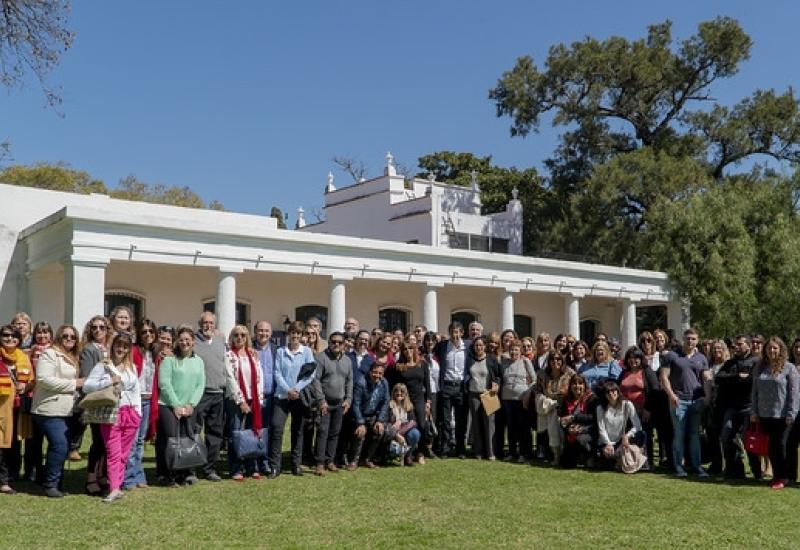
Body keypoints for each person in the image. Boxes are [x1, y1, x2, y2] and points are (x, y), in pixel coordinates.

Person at [83, 333, 142, 503]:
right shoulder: (103, 366)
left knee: (124, 454)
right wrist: (108, 381)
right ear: (113, 346)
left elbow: (135, 391)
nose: (121, 349)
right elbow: (87, 386)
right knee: (113, 452)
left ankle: (118, 484)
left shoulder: (131, 366)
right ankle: (113, 488)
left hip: (130, 414)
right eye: (118, 345)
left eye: (125, 347)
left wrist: (138, 412)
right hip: (111, 414)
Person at [31, 325, 83, 497]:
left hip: (66, 409)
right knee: (60, 445)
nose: (69, 339)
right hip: (48, 409)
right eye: (65, 336)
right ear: (58, 337)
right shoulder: (49, 354)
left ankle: (57, 482)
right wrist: (73, 384)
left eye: (72, 337)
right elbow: (44, 380)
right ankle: (50, 483)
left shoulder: (73, 357)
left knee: (63, 446)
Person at [659, 328, 712, 478]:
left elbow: (706, 378)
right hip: (678, 401)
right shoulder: (672, 356)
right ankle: (678, 466)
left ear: (697, 340)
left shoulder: (702, 358)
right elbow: (664, 378)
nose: (690, 341)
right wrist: (671, 395)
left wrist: (707, 397)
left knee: (695, 435)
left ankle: (697, 467)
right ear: (683, 338)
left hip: (696, 401)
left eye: (693, 339)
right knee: (679, 434)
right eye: (688, 338)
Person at [157, 326, 205, 487]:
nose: (185, 342)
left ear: (193, 342)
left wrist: (191, 405)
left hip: (190, 406)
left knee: (187, 439)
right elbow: (164, 384)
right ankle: (167, 474)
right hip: (169, 406)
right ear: (177, 341)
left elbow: (200, 384)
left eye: (188, 340)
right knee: (171, 440)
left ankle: (184, 472)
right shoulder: (169, 360)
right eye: (182, 339)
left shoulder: (198, 361)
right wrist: (176, 405)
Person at [269, 321, 316, 477]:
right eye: (292, 333)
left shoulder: (307, 352)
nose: (295, 336)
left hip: (299, 396)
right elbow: (277, 373)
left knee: (298, 431)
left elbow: (310, 374)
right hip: (282, 396)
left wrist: (297, 388)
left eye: (298, 333)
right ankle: (275, 465)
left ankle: (296, 464)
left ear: (302, 336)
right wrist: (287, 389)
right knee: (277, 429)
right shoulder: (281, 351)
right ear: (288, 335)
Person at [751, 337, 798, 490]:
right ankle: (777, 476)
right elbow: (755, 392)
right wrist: (754, 411)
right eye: (769, 348)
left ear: (781, 350)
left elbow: (794, 393)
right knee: (771, 447)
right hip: (765, 414)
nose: (772, 351)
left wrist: (792, 413)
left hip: (783, 415)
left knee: (780, 446)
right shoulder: (760, 367)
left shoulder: (789, 368)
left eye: (775, 348)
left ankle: (783, 477)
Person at [715, 334, 761, 480]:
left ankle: (757, 473)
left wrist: (741, 379)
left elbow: (752, 381)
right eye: (736, 344)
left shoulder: (755, 361)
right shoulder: (730, 363)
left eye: (740, 344)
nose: (737, 347)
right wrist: (736, 377)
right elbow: (719, 377)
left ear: (748, 345)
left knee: (748, 440)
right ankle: (733, 470)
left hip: (748, 407)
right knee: (726, 436)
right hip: (732, 407)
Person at [76, 315, 110, 493]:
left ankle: (102, 475)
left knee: (106, 441)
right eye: (94, 327)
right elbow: (88, 377)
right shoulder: (89, 350)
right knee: (98, 441)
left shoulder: (109, 348)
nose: (98, 330)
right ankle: (91, 479)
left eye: (102, 327)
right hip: (97, 400)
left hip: (110, 400)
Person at [123, 319, 158, 490]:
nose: (148, 335)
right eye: (144, 332)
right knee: (132, 439)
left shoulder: (156, 353)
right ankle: (129, 478)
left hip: (149, 400)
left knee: (140, 441)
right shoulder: (134, 351)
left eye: (151, 331)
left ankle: (139, 475)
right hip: (134, 400)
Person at [225, 325, 263, 480]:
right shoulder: (229, 355)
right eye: (236, 335)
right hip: (235, 400)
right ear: (232, 338)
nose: (239, 338)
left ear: (247, 337)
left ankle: (251, 466)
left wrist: (258, 400)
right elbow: (230, 379)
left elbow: (259, 377)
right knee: (236, 433)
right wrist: (241, 401)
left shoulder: (253, 355)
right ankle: (236, 468)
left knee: (252, 433)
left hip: (252, 399)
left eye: (243, 335)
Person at [192, 311, 227, 482]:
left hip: (218, 393)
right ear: (200, 324)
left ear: (215, 325)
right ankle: (190, 468)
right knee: (194, 431)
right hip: (200, 394)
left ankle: (209, 468)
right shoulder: (193, 341)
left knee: (215, 433)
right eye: (205, 323)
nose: (208, 326)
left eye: (211, 323)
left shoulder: (221, 341)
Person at [312, 331, 352, 476]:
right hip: (325, 403)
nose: (336, 344)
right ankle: (320, 463)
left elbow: (349, 381)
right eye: (333, 342)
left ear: (343, 344)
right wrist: (321, 400)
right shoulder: (321, 358)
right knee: (323, 432)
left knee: (335, 433)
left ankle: (330, 460)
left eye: (339, 342)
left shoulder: (347, 361)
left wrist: (348, 400)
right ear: (329, 343)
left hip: (340, 403)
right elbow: (315, 380)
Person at [0, 325, 34, 494]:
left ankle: (12, 475)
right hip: (1, 407)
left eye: (14, 336)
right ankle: (3, 480)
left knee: (13, 442)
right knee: (1, 443)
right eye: (6, 335)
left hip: (17, 408)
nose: (10, 339)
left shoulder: (23, 357)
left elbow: (32, 380)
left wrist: (25, 386)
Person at [386, 337, 431, 463]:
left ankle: (420, 452)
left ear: (415, 349)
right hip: (404, 401)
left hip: (419, 399)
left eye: (410, 348)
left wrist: (428, 402)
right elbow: (393, 385)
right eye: (405, 349)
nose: (408, 351)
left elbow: (427, 384)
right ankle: (407, 454)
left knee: (422, 425)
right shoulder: (399, 367)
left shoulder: (422, 364)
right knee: (406, 426)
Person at [617, 347, 659, 467]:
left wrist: (648, 409)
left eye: (636, 358)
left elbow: (655, 390)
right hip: (626, 412)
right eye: (630, 358)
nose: (633, 360)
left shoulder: (647, 371)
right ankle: (631, 461)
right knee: (629, 437)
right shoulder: (623, 373)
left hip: (643, 410)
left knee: (645, 435)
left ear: (641, 359)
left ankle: (647, 462)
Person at [23, 321, 53, 483]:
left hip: (49, 397)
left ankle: (45, 472)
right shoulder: (30, 352)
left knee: (50, 437)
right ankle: (31, 471)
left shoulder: (55, 350)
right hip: (33, 396)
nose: (42, 336)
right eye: (39, 333)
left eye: (46, 332)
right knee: (33, 438)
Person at [435, 322, 469, 458]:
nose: (455, 335)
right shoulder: (443, 346)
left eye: (457, 332)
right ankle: (445, 448)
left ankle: (460, 449)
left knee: (461, 420)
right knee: (445, 420)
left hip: (461, 387)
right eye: (452, 332)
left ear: (462, 333)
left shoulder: (468, 346)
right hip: (447, 386)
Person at [596, 381, 645, 472]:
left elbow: (638, 426)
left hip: (622, 441)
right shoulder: (600, 408)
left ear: (618, 392)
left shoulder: (627, 405)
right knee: (606, 461)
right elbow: (601, 428)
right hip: (607, 442)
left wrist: (627, 435)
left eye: (614, 391)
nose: (611, 394)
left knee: (642, 434)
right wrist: (608, 443)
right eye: (608, 392)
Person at [535, 351, 574, 465]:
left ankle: (561, 455)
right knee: (552, 428)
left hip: (565, 407)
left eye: (558, 359)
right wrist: (547, 402)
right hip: (548, 408)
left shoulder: (569, 374)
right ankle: (555, 455)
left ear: (562, 361)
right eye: (552, 359)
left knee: (559, 430)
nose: (555, 362)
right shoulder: (543, 375)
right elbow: (537, 390)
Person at [348, 363, 389, 470]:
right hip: (359, 415)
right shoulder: (361, 383)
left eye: (380, 373)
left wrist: (380, 420)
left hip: (373, 416)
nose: (377, 375)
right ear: (370, 372)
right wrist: (360, 423)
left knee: (379, 431)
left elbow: (385, 402)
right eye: (375, 372)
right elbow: (355, 404)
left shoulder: (384, 383)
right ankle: (354, 461)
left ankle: (367, 459)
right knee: (360, 433)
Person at [465, 336, 501, 460]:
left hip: (488, 394)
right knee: (476, 424)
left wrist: (497, 384)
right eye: (476, 345)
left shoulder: (491, 359)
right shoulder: (470, 359)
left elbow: (498, 375)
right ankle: (478, 451)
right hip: (473, 394)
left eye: (481, 345)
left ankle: (490, 452)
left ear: (485, 346)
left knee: (490, 424)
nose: (479, 347)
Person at [501, 340, 536, 463]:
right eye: (511, 349)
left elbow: (534, 380)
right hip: (507, 399)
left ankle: (524, 453)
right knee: (511, 428)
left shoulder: (526, 362)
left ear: (520, 350)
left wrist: (528, 393)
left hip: (521, 399)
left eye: (516, 349)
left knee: (523, 428)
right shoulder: (504, 362)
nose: (513, 352)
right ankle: (512, 452)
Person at [252, 321, 276, 475]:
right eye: (260, 330)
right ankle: (253, 462)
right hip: (254, 397)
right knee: (254, 430)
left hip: (271, 396)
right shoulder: (249, 348)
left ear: (271, 333)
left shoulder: (276, 349)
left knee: (268, 430)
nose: (263, 333)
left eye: (266, 330)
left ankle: (265, 462)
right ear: (255, 332)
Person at [558, 374, 597, 468]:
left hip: (588, 431)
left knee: (580, 440)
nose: (577, 386)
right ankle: (578, 458)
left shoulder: (592, 399)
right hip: (571, 433)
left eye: (580, 383)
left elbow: (593, 417)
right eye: (574, 383)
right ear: (570, 385)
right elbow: (562, 419)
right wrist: (568, 429)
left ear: (585, 385)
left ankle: (589, 456)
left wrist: (574, 418)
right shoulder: (566, 400)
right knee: (565, 464)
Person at [387, 383, 422, 466]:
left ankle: (408, 456)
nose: (399, 393)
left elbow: (413, 422)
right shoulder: (389, 405)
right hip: (392, 431)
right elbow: (386, 422)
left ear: (405, 393)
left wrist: (402, 428)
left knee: (415, 433)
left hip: (405, 431)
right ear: (393, 393)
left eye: (402, 391)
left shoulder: (409, 406)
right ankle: (388, 456)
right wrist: (396, 434)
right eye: (396, 391)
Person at [421, 331, 440, 458]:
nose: (430, 342)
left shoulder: (438, 356)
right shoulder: (420, 355)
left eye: (432, 340)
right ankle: (424, 447)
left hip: (436, 391)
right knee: (425, 420)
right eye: (428, 340)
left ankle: (432, 446)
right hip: (423, 391)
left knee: (434, 419)